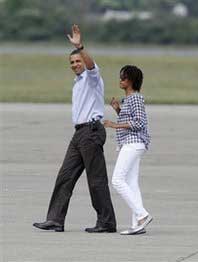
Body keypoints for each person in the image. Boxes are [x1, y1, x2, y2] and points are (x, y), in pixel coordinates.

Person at [33, 24, 116, 233]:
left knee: (96, 180)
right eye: (72, 62)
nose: (75, 64)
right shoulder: (77, 81)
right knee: (65, 176)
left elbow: (90, 65)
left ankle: (106, 222)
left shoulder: (92, 77)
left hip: (91, 131)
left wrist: (80, 47)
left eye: (77, 60)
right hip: (80, 133)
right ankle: (55, 220)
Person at [103, 65, 152, 235]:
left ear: (131, 81)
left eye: (123, 78)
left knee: (117, 180)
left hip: (133, 143)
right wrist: (118, 110)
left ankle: (142, 214)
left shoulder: (136, 98)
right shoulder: (129, 99)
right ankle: (138, 224)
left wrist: (114, 124)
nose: (120, 80)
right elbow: (130, 120)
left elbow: (139, 123)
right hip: (131, 143)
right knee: (131, 183)